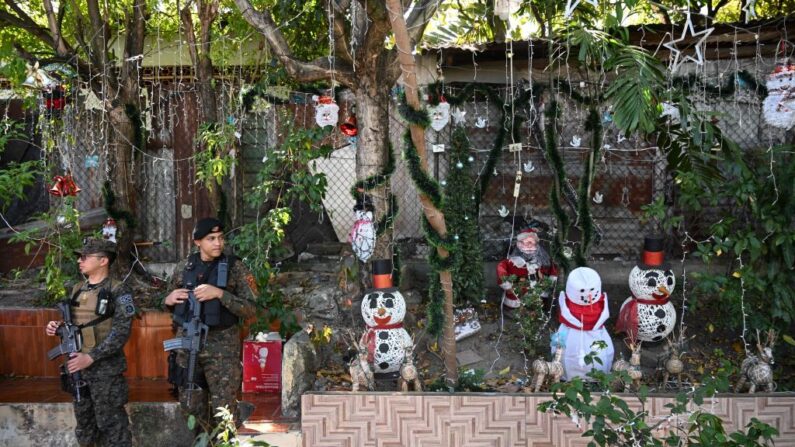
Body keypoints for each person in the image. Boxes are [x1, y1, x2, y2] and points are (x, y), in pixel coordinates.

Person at [164, 217, 257, 429]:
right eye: (211, 238)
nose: (218, 243)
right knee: (191, 407)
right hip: (187, 345)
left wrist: (220, 295)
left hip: (222, 348)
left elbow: (252, 308)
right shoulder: (183, 267)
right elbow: (167, 299)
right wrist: (167, 300)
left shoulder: (235, 267)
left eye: (220, 238)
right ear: (197, 242)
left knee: (224, 410)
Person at [45, 238, 134, 447]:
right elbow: (76, 325)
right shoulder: (77, 288)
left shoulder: (119, 290)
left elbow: (121, 332)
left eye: (84, 257)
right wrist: (57, 327)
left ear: (103, 260)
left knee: (113, 428)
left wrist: (91, 357)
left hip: (106, 372)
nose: (79, 261)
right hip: (77, 370)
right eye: (79, 257)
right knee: (85, 427)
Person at [497, 228, 558, 309]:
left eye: (532, 242)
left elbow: (553, 271)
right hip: (518, 291)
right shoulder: (511, 261)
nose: (529, 245)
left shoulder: (543, 259)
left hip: (537, 290)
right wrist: (507, 285)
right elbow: (501, 269)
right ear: (519, 244)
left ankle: (536, 309)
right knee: (516, 303)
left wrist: (548, 282)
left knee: (538, 304)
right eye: (526, 242)